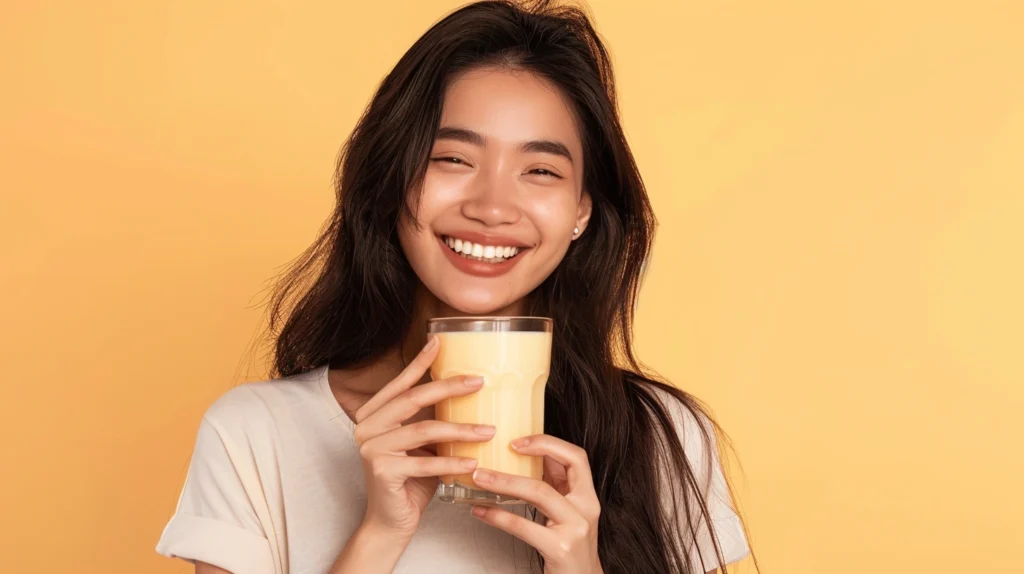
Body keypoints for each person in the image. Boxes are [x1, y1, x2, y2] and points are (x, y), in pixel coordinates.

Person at [156, 1, 752, 572]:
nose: (492, 208)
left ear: (581, 213)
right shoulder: (254, 434)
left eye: (540, 171)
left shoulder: (657, 436)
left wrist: (581, 568)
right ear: (394, 180)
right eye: (453, 159)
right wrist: (379, 535)